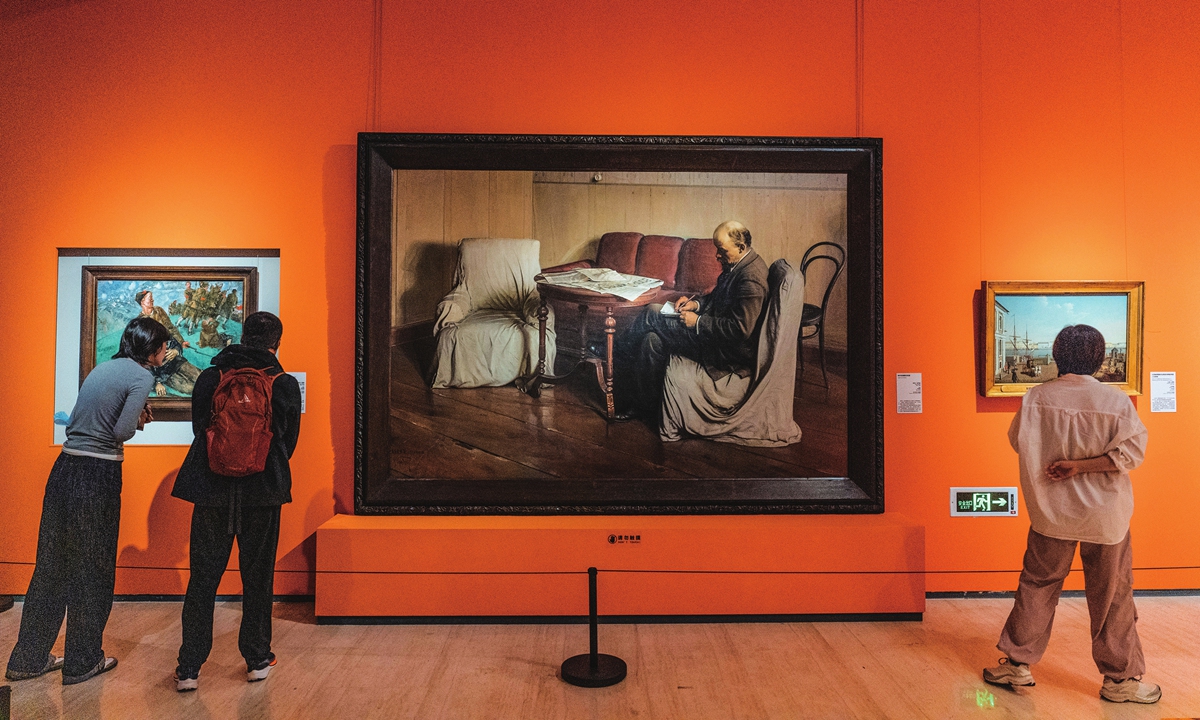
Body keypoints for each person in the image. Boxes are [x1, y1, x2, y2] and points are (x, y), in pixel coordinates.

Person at [983, 324, 1160, 704]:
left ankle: (1016, 664)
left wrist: (1068, 463)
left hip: (1051, 512)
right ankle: (1120, 681)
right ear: (1098, 358)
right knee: (1113, 595)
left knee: (1038, 585)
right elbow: (1130, 456)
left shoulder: (1035, 398)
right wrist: (1083, 465)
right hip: (1105, 516)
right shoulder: (1115, 403)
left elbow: (1018, 442)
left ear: (1057, 353)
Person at [5, 317, 168, 685]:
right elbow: (122, 430)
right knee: (92, 569)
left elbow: (83, 417)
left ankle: (27, 659)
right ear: (153, 349)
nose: (164, 353)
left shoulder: (104, 367)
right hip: (98, 474)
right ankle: (82, 661)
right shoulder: (143, 377)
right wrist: (140, 419)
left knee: (50, 565)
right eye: (162, 347)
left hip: (64, 469)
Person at [172, 311, 301, 692]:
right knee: (257, 576)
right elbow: (287, 441)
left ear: (243, 336)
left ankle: (189, 667)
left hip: (211, 488)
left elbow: (200, 428)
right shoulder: (284, 383)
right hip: (263, 490)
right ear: (276, 341)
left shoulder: (212, 377)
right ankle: (258, 659)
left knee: (203, 578)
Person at [611, 220, 769, 423]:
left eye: (721, 250)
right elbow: (716, 300)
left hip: (725, 352)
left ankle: (614, 354)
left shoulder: (751, 279)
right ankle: (645, 408)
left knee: (651, 312)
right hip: (717, 340)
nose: (717, 255)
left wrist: (698, 321)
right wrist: (695, 305)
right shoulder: (738, 264)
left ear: (740, 247)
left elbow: (740, 330)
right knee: (651, 340)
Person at [135, 289, 202, 396]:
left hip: (174, 359)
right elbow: (142, 358)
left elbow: (171, 329)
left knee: (200, 376)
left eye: (152, 298)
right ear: (142, 302)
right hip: (161, 370)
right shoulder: (139, 324)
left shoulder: (159, 311)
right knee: (190, 388)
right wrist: (157, 381)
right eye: (149, 299)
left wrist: (177, 348)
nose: (153, 300)